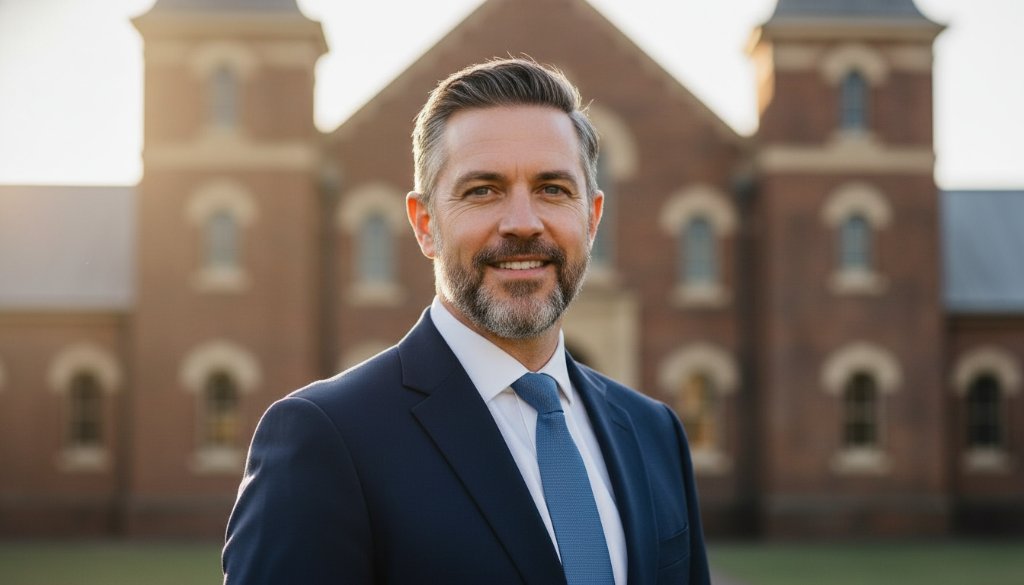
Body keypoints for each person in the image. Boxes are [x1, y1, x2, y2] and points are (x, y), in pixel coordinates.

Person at [222, 57, 710, 585]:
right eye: (483, 190)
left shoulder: (653, 432)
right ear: (425, 224)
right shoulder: (325, 440)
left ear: (591, 218)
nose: (523, 223)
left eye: (552, 189)